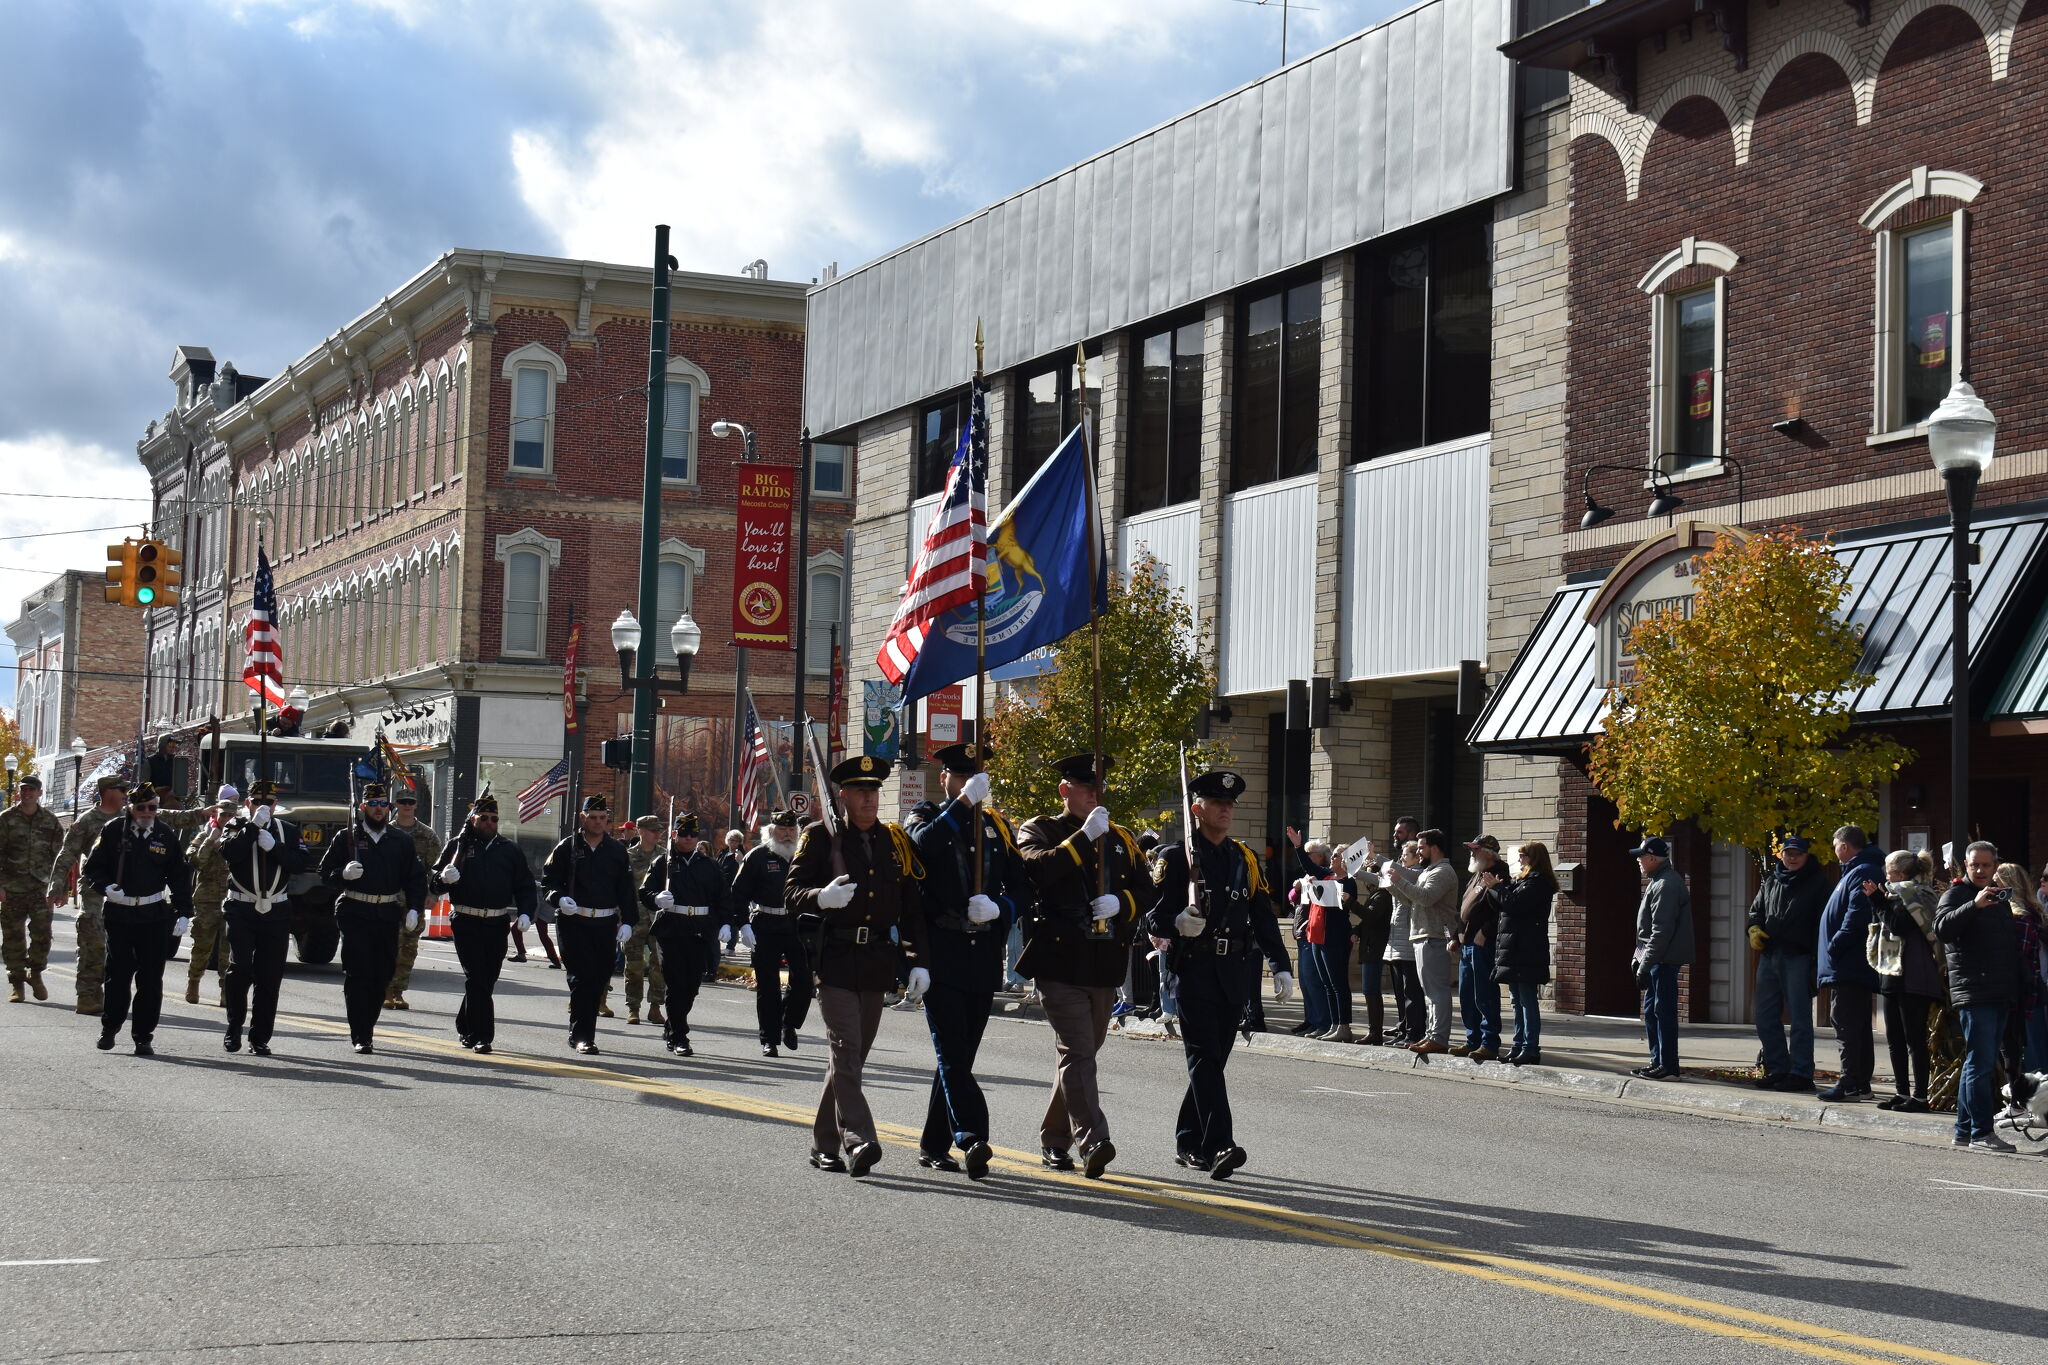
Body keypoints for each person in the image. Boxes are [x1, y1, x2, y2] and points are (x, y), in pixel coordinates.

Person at [1145, 769, 1293, 1180]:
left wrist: (1280, 963)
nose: (1226, 810)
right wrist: (1176, 922)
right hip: (1192, 971)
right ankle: (1220, 1144)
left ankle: (1189, 1138)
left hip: (1233, 972)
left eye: (1230, 805)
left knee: (1212, 1062)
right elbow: (1152, 917)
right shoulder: (1175, 858)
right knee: (1205, 1058)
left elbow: (1262, 916)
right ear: (1197, 809)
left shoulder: (1242, 858)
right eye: (1217, 804)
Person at [784, 755, 927, 1176]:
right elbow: (791, 893)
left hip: (878, 960)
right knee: (846, 1050)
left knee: (850, 1059)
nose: (869, 798)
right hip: (837, 961)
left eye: (874, 791)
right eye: (861, 791)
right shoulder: (821, 837)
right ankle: (860, 1139)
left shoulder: (895, 841)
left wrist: (919, 962)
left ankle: (823, 1143)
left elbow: (912, 909)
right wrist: (821, 897)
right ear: (842, 796)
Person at [1015, 753, 1146, 1178]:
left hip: (1105, 962)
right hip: (1059, 960)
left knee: (1081, 1055)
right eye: (1086, 787)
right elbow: (1036, 869)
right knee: (1077, 1050)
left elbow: (1148, 889)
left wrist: (1122, 903)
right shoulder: (1040, 829)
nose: (1093, 795)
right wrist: (1083, 839)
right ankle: (1093, 1139)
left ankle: (1055, 1140)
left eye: (1098, 788)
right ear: (1065, 791)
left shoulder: (1121, 837)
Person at [905, 742, 1028, 1179]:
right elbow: (923, 846)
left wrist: (1001, 910)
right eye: (958, 777)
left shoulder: (997, 827)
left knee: (960, 1055)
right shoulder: (925, 816)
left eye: (974, 778)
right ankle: (971, 1136)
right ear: (945, 780)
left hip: (982, 954)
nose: (968, 784)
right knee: (952, 1051)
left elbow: (1022, 886)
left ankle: (933, 1143)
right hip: (942, 951)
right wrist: (961, 803)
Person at [81, 783, 192, 1055]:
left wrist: (184, 912)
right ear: (130, 808)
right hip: (120, 914)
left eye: (152, 807)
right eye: (141, 808)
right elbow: (92, 868)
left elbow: (178, 875)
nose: (147, 812)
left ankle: (143, 1036)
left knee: (151, 980)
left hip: (153, 915)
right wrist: (106, 887)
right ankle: (110, 1028)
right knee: (118, 975)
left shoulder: (165, 834)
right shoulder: (113, 831)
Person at [318, 782, 427, 1055]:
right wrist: (342, 874)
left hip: (387, 913)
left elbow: (414, 879)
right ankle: (361, 1033)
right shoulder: (347, 838)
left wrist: (414, 908)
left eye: (383, 805)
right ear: (363, 807)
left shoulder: (400, 840)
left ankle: (369, 1025)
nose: (379, 810)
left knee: (382, 975)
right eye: (373, 805)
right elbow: (324, 873)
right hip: (355, 911)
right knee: (359, 974)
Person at [430, 793, 536, 1054]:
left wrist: (526, 913)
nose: (490, 822)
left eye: (494, 818)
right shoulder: (459, 845)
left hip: (497, 921)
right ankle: (482, 1035)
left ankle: (465, 1023)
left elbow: (524, 885)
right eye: (484, 818)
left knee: (486, 980)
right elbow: (434, 882)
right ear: (473, 819)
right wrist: (445, 878)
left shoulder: (509, 849)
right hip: (466, 920)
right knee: (476, 977)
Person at [1936, 841, 2020, 1152]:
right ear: (1966, 866)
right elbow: (1941, 928)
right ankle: (1981, 1133)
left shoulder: (2000, 898)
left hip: (1998, 991)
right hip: (1974, 990)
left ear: (1995, 866)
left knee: (1979, 1062)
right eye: (1975, 866)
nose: (1981, 871)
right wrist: (1974, 905)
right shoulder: (1956, 894)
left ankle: (1963, 1130)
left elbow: (2008, 945)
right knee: (1980, 1063)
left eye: (1986, 865)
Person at [217, 779, 309, 1056]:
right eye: (257, 802)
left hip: (277, 910)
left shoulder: (288, 830)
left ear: (276, 804)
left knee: (270, 975)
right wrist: (253, 826)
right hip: (242, 907)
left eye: (268, 802)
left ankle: (260, 1036)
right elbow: (228, 852)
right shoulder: (235, 825)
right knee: (241, 967)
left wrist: (275, 848)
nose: (263, 807)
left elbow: (300, 864)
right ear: (247, 803)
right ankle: (234, 1026)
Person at [540, 794, 638, 1055]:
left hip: (605, 923)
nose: (597, 822)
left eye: (602, 818)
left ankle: (581, 1030)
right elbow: (548, 882)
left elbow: (626, 890)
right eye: (592, 817)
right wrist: (559, 899)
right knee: (582, 978)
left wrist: (628, 920)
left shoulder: (617, 851)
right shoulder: (567, 847)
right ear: (582, 818)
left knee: (599, 978)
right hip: (575, 922)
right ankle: (583, 1035)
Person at [639, 812, 728, 1057]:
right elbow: (645, 891)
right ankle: (680, 1036)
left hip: (700, 929)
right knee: (676, 984)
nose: (689, 838)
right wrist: (657, 899)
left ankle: (672, 1025)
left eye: (693, 834)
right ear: (675, 834)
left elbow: (722, 898)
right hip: (673, 928)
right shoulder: (663, 863)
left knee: (692, 986)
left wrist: (724, 924)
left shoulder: (709, 865)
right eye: (684, 833)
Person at [1745, 834, 1829, 1092]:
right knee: (1765, 1016)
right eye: (1788, 853)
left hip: (1799, 956)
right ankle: (1777, 1068)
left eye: (1798, 853)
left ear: (1806, 855)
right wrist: (1754, 928)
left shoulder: (1818, 883)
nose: (1792, 858)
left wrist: (1817, 961)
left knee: (1801, 1019)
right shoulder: (1771, 881)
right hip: (1770, 955)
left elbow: (1823, 924)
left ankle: (1802, 1073)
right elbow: (1755, 911)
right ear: (1781, 854)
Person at [1865, 850, 1942, 1112]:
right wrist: (1879, 901)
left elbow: (1898, 925)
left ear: (1899, 872)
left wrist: (1877, 900)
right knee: (1895, 1039)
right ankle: (1901, 1092)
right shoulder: (1893, 893)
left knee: (1914, 1039)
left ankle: (1920, 1096)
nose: (1885, 874)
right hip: (1891, 972)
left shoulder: (1915, 894)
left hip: (1914, 976)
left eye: (1887, 869)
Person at [47, 776, 129, 1016]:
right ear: (108, 792)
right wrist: (57, 887)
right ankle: (86, 995)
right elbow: (67, 854)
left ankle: (104, 994)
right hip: (93, 891)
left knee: (120, 948)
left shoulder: (130, 818)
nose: (126, 792)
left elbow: (165, 816)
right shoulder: (88, 820)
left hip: (124, 894)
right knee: (92, 942)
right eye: (121, 788)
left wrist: (202, 814)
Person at [734, 809, 809, 1057]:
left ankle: (789, 1022)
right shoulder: (757, 856)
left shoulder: (803, 855)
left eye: (791, 831)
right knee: (768, 985)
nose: (787, 835)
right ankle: (769, 1038)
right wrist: (742, 925)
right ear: (771, 832)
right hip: (765, 923)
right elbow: (739, 893)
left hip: (796, 924)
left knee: (804, 981)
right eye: (782, 830)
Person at [1385, 828, 1459, 1055]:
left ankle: (1438, 1038)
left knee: (1436, 992)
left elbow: (1426, 898)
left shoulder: (1443, 872)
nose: (1418, 851)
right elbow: (1412, 900)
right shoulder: (1430, 871)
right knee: (1429, 993)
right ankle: (1431, 1035)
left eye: (1421, 847)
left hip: (1434, 937)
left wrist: (1399, 880)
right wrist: (1393, 885)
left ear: (1434, 848)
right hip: (1422, 935)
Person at [1629, 835, 1692, 1080]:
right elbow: (1647, 933)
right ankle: (1658, 1062)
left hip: (1663, 960)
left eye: (1641, 856)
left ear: (1653, 858)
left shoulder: (1666, 884)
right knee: (1653, 1011)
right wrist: (1639, 958)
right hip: (1656, 959)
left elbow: (1660, 931)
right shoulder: (1658, 881)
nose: (1638, 861)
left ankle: (1668, 1066)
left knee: (1663, 1012)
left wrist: (1645, 964)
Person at [1489, 841, 1557, 1065]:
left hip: (1527, 948)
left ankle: (1530, 1047)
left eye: (1523, 855)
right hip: (1516, 947)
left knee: (1527, 1000)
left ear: (1534, 857)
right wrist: (1498, 888)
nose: (1520, 859)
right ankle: (1518, 1044)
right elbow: (1505, 905)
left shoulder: (1538, 882)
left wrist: (1497, 888)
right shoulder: (1524, 880)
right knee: (1516, 1000)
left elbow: (1515, 905)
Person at [0, 774, 64, 1004]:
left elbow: (61, 858)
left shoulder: (50, 821)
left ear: (40, 793)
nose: (26, 793)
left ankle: (35, 974)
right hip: (12, 887)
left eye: (31, 790)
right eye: (23, 789)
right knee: (13, 937)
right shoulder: (6, 819)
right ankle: (17, 983)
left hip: (41, 887)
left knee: (43, 935)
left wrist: (60, 888)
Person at [1284, 831, 1354, 1042]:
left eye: (1337, 856)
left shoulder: (1347, 882)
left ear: (1347, 862)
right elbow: (1309, 867)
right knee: (1327, 984)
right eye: (1332, 855)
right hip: (1316, 936)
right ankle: (1333, 1025)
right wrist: (1298, 846)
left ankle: (1343, 1025)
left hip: (1333, 938)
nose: (1333, 857)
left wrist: (1346, 899)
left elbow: (1345, 908)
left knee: (1338, 983)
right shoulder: (1326, 875)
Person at [175, 787, 241, 1006]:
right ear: (216, 816)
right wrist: (210, 841)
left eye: (231, 815)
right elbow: (196, 862)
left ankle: (225, 990)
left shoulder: (238, 838)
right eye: (223, 815)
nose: (226, 819)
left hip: (231, 900)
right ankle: (193, 982)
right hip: (206, 900)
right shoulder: (203, 835)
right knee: (202, 946)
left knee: (227, 949)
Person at [1991, 862, 2047, 1111]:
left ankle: (2031, 1101)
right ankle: (2028, 1100)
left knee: (2025, 1048)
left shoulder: (2019, 916)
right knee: (2025, 1046)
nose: (1992, 886)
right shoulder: (2031, 911)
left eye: (1996, 882)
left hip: (2021, 990)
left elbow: (2019, 956)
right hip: (2027, 987)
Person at [383, 791, 442, 1012]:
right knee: (389, 944)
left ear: (416, 805)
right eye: (403, 802)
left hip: (415, 899)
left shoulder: (427, 835)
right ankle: (386, 988)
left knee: (408, 946)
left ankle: (398, 991)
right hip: (388, 898)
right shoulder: (386, 832)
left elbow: (437, 869)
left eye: (411, 802)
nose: (407, 806)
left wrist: (433, 894)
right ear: (396, 804)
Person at [1454, 834, 1504, 1059]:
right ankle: (1472, 1039)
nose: (1472, 853)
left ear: (1489, 853)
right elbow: (1464, 909)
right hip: (1467, 943)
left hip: (1482, 944)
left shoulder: (1500, 874)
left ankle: (1489, 1042)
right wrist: (1455, 936)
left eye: (1476, 849)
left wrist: (1486, 932)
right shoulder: (1476, 875)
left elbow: (1502, 909)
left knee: (1484, 995)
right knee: (1467, 995)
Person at [621, 814, 669, 1028]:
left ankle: (655, 1007)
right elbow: (620, 889)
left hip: (658, 917)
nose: (657, 834)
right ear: (641, 831)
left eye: (659, 830)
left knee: (659, 964)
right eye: (653, 830)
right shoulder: (628, 856)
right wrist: (620, 918)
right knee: (634, 964)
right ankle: (633, 1007)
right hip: (634, 918)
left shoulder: (665, 857)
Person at [1380, 834, 1424, 1045]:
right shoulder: (1403, 874)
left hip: (1408, 938)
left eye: (1406, 855)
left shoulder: (1418, 874)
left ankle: (1414, 1031)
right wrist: (1359, 872)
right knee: (1400, 991)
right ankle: (1404, 1028)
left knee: (1411, 991)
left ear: (1417, 857)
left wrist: (1375, 857)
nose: (1402, 858)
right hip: (1397, 938)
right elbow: (1381, 882)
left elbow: (1403, 889)